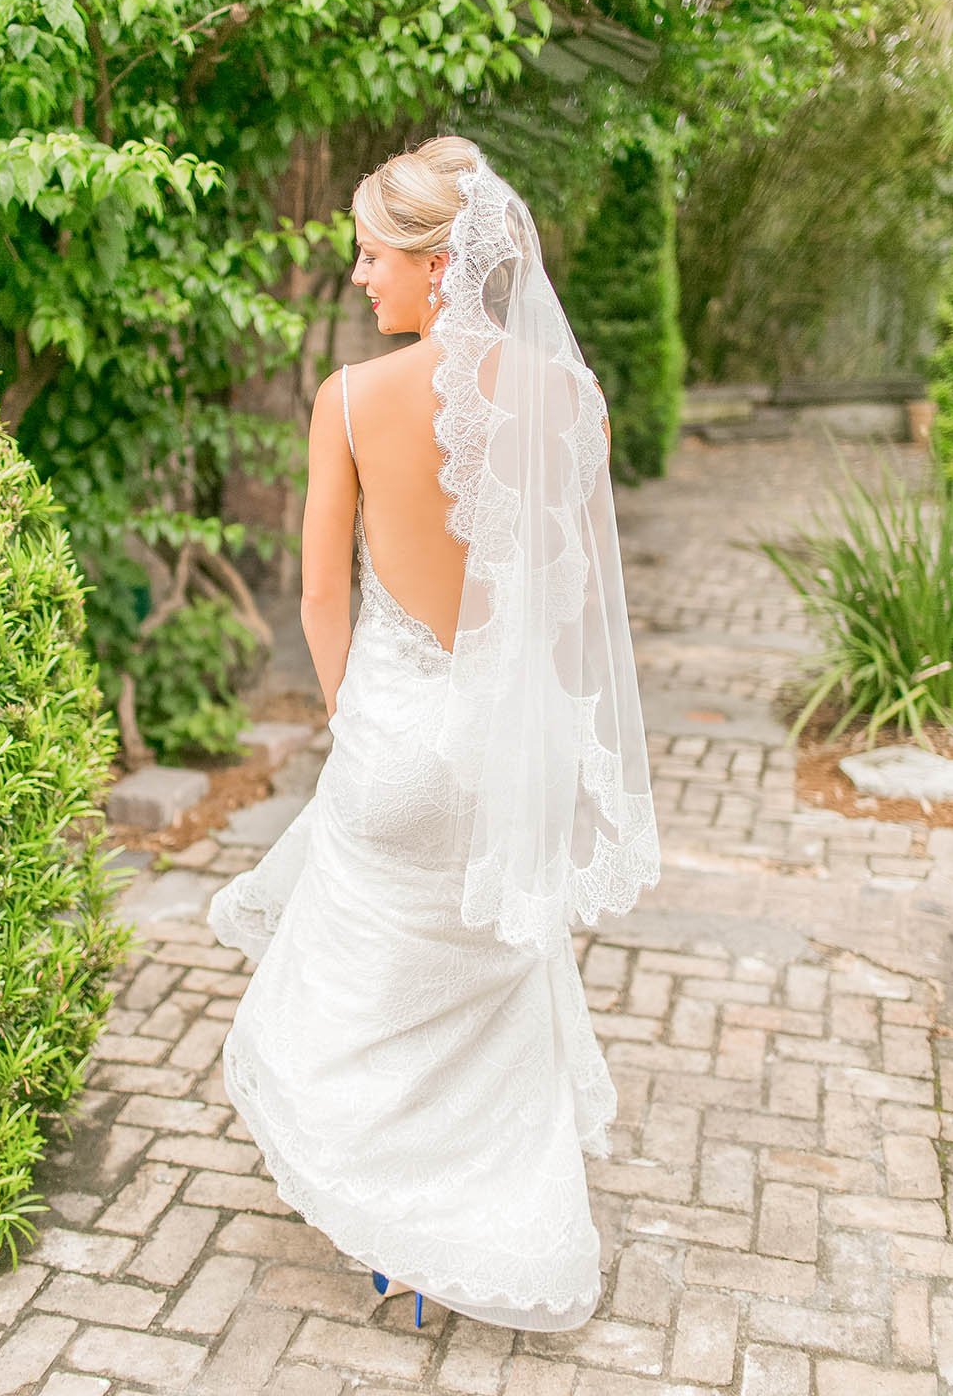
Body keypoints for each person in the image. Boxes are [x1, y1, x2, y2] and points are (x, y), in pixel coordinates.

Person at [208, 135, 659, 1331]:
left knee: (365, 992)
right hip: (519, 746)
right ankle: (477, 1226)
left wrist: (361, 720)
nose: (359, 279)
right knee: (488, 997)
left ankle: (388, 1228)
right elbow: (568, 601)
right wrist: (542, 741)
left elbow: (316, 597)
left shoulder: (349, 398)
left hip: (395, 742)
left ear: (434, 262)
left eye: (370, 255)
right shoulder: (573, 397)